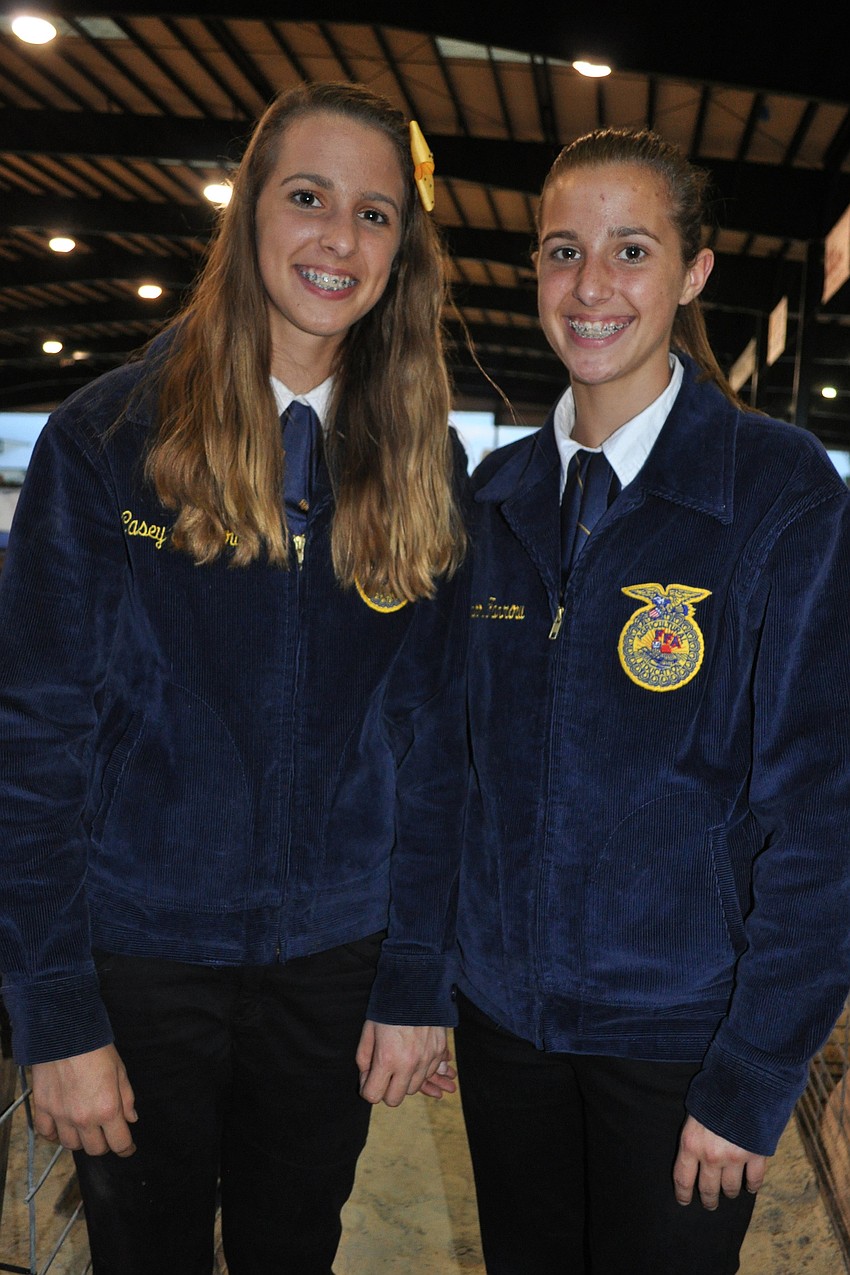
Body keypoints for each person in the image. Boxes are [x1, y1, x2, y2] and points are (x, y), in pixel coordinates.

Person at [0, 81, 469, 1275]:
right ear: (249, 212)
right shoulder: (109, 441)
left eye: (374, 216)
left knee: (292, 1249)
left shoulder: (422, 462)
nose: (338, 239)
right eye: (308, 198)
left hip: (334, 962)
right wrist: (54, 1012)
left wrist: (414, 975)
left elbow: (436, 745)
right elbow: (32, 741)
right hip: (143, 958)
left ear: (400, 251)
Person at [454, 126, 850, 1275]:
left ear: (693, 274)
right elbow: (453, 766)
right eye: (561, 251)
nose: (590, 287)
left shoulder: (779, 496)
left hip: (679, 1037)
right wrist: (434, 979)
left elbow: (822, 814)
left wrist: (755, 1071)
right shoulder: (499, 497)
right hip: (505, 1028)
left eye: (631, 250)